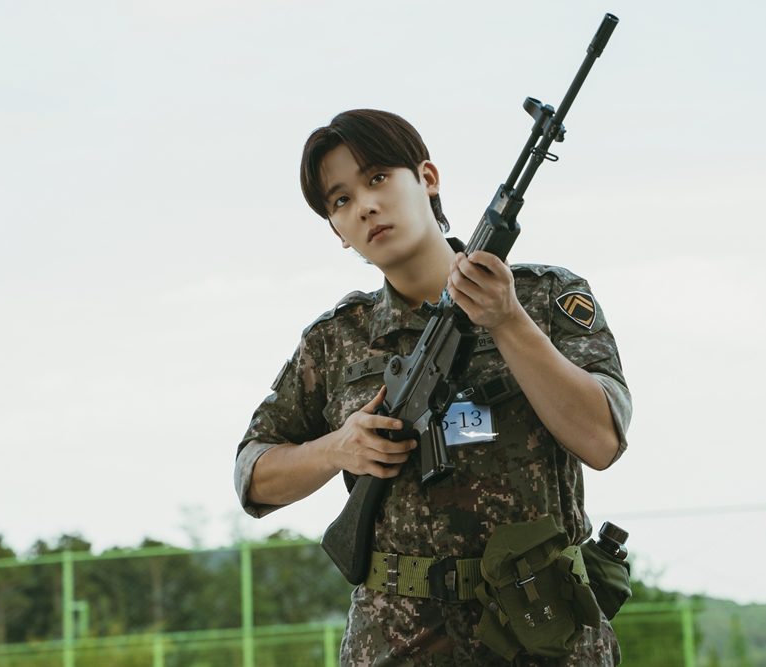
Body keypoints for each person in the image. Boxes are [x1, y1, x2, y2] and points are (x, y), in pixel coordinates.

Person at [233, 109, 632, 666]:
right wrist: (336, 449)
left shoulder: (544, 297)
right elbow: (253, 475)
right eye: (341, 200)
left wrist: (508, 321)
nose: (365, 205)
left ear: (427, 178)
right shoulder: (334, 340)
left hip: (543, 634)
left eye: (377, 177)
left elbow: (602, 440)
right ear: (337, 232)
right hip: (396, 644)